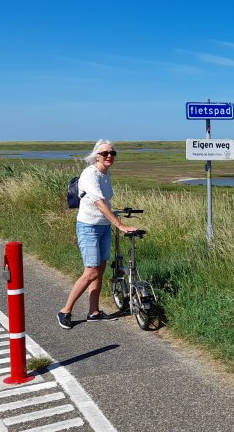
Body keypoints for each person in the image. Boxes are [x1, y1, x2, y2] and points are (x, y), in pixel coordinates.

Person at [57, 140, 137, 329]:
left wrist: (116, 214)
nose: (109, 156)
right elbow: (99, 203)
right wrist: (120, 224)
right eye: (104, 153)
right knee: (91, 271)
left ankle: (94, 312)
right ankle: (65, 311)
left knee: (99, 270)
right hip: (89, 227)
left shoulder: (106, 174)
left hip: (103, 227)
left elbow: (106, 204)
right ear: (96, 156)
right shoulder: (90, 174)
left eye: (112, 153)